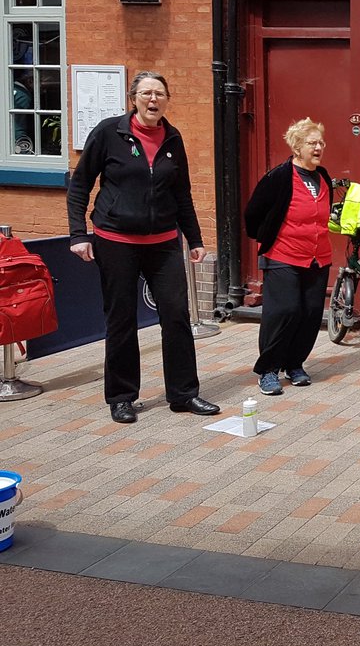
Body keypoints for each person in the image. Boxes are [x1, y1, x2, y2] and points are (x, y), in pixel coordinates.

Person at [66, 70, 221, 423]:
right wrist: (78, 235)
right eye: (147, 93)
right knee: (121, 319)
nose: (153, 100)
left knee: (177, 316)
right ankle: (121, 396)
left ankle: (183, 394)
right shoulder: (109, 133)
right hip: (115, 240)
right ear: (133, 98)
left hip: (164, 242)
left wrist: (194, 239)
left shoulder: (173, 137)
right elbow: (80, 187)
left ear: (167, 100)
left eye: (160, 94)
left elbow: (182, 194)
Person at [244, 119, 334, 396]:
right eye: (312, 143)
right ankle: (268, 370)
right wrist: (269, 237)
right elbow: (253, 214)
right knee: (283, 311)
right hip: (283, 255)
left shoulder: (323, 176)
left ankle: (294, 364)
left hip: (318, 257)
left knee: (309, 314)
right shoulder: (279, 177)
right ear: (297, 146)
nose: (318, 147)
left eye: (321, 142)